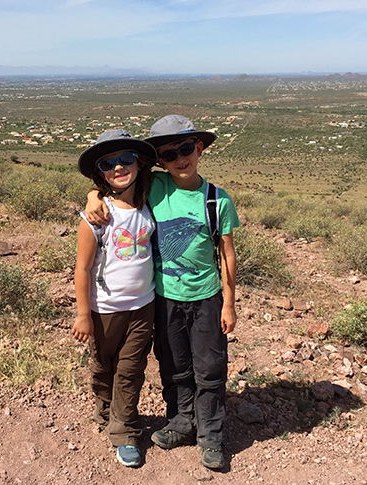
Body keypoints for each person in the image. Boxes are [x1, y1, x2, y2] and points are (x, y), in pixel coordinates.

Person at [85, 115, 240, 470]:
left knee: (210, 367)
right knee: (173, 365)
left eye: (186, 149)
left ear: (199, 149)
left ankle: (211, 435)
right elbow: (115, 183)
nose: (179, 159)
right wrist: (93, 194)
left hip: (206, 297)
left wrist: (228, 303)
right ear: (158, 160)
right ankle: (182, 422)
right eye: (169, 154)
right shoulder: (153, 186)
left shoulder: (217, 200)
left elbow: (228, 255)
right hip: (164, 298)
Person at [72, 128, 158, 468]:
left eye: (126, 159)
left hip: (143, 307)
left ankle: (124, 430)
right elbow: (81, 269)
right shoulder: (95, 216)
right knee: (103, 368)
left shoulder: (151, 199)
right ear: (100, 173)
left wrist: (94, 190)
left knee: (131, 369)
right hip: (104, 310)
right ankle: (107, 411)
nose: (118, 168)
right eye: (108, 163)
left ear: (139, 163)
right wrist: (82, 314)